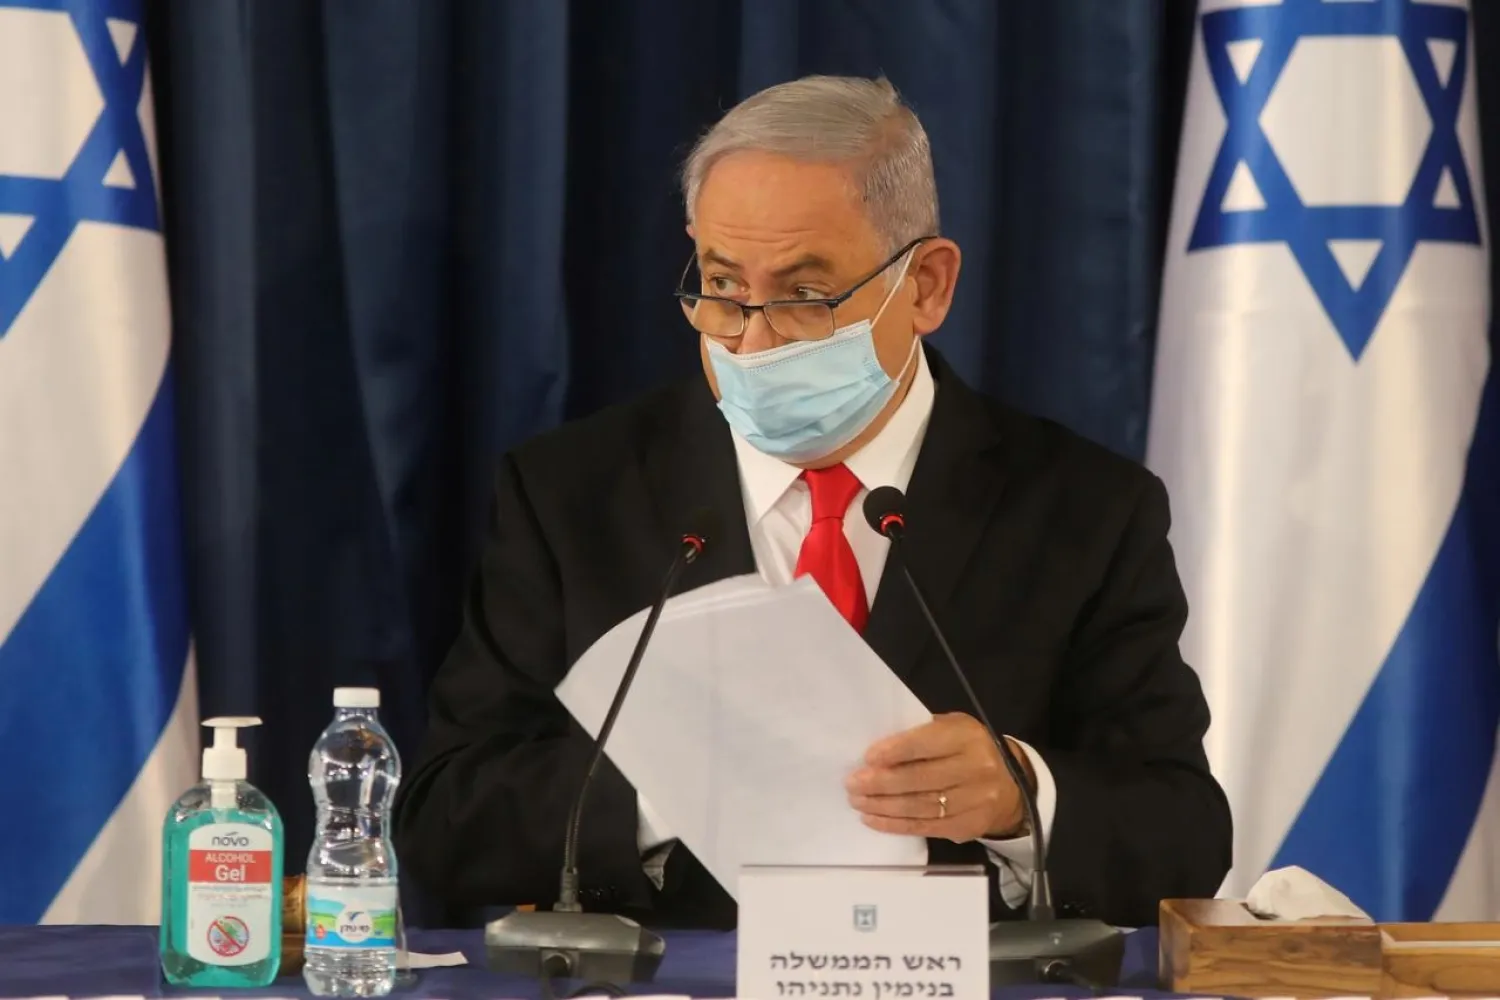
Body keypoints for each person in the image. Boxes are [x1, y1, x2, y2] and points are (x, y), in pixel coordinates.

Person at [393, 75, 1232, 930]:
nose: (751, 341)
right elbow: (447, 820)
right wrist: (670, 788)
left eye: (802, 295)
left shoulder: (1084, 508)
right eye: (722, 285)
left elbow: (1185, 834)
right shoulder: (571, 493)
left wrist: (1022, 798)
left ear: (927, 286)